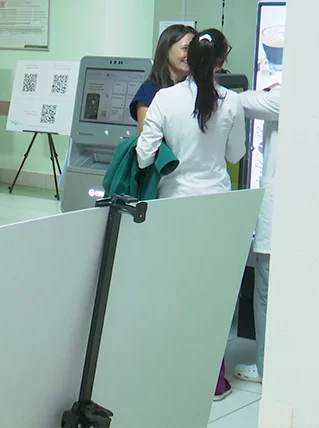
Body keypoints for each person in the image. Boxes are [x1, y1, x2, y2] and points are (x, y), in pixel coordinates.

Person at [135, 29, 245, 400]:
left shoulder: (164, 98)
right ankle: (213, 381)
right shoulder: (232, 102)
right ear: (222, 61)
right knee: (211, 295)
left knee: (173, 292)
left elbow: (144, 155)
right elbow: (234, 155)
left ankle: (168, 372)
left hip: (174, 209)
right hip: (216, 209)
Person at [233, 84, 281, 384]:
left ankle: (267, 369)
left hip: (278, 222)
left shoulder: (289, 95)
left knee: (265, 295)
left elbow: (242, 103)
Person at [130, 24, 196, 132]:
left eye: (194, 50)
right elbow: (146, 138)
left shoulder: (195, 87)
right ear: (166, 51)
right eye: (185, 49)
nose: (190, 55)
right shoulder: (150, 89)